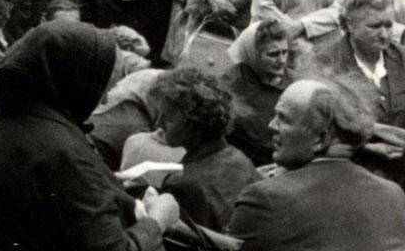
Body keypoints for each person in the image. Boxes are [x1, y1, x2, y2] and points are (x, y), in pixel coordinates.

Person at [0, 20, 181, 251]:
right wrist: (157, 221)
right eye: (101, 88)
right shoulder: (60, 150)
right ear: (72, 77)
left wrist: (105, 182)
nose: (105, 100)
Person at [228, 78, 405, 251]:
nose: (271, 125)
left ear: (320, 139)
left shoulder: (266, 198)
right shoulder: (393, 194)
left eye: (284, 118)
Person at [147, 67, 259, 231]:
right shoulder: (239, 158)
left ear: (195, 125)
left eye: (168, 119)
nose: (158, 124)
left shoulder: (184, 186)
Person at [311, 0, 405, 126]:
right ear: (350, 25)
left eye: (388, 26)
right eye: (375, 26)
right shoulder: (326, 65)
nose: (384, 35)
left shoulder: (402, 56)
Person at [221, 20, 298, 166]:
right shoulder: (230, 85)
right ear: (253, 54)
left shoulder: (296, 83)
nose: (282, 61)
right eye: (273, 54)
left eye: (285, 52)